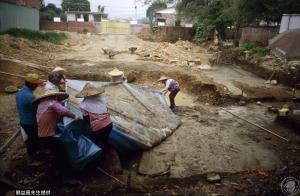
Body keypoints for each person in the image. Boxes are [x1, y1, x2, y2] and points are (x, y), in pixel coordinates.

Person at [33, 89, 79, 184]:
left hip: (42, 135)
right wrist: (75, 116)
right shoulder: (51, 102)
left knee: (56, 155)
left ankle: (56, 175)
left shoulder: (42, 104)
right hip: (49, 135)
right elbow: (63, 111)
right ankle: (67, 179)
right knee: (63, 156)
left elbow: (52, 116)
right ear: (54, 96)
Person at [75, 83, 113, 153]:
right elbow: (106, 111)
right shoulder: (101, 100)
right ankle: (106, 152)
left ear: (85, 95)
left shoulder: (83, 105)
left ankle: (98, 155)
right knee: (105, 140)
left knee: (96, 142)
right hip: (109, 124)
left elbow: (86, 120)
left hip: (98, 127)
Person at [16, 73, 44, 162]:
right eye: (36, 85)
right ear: (31, 84)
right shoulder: (30, 96)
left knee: (32, 138)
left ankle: (33, 153)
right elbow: (35, 111)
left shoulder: (20, 92)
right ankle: (33, 158)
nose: (37, 87)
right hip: (30, 122)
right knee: (33, 140)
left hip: (23, 120)